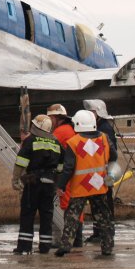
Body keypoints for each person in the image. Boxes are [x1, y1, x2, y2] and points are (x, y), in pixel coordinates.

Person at [55, 110, 116, 257]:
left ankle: (65, 246)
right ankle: (107, 247)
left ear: (77, 124)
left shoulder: (74, 142)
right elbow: (113, 155)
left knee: (72, 216)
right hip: (99, 185)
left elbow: (68, 168)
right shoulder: (104, 138)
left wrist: (60, 185)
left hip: (80, 187)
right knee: (103, 217)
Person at [12, 114, 62, 254]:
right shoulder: (56, 142)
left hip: (33, 182)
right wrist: (56, 182)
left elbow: (21, 162)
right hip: (49, 183)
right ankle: (45, 246)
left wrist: (15, 179)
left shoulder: (30, 140)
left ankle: (24, 247)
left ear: (37, 127)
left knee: (28, 214)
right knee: (47, 215)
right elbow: (61, 166)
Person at [83, 99, 117, 244]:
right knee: (97, 203)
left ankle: (106, 232)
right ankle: (99, 232)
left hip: (104, 172)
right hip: (98, 173)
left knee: (104, 203)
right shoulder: (98, 127)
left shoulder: (104, 129)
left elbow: (109, 153)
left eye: (91, 112)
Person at [47, 104, 79, 248]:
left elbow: (48, 148)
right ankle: (77, 240)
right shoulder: (70, 129)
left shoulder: (60, 131)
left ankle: (73, 240)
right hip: (73, 174)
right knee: (75, 206)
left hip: (67, 175)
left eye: (50, 118)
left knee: (67, 205)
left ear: (55, 118)